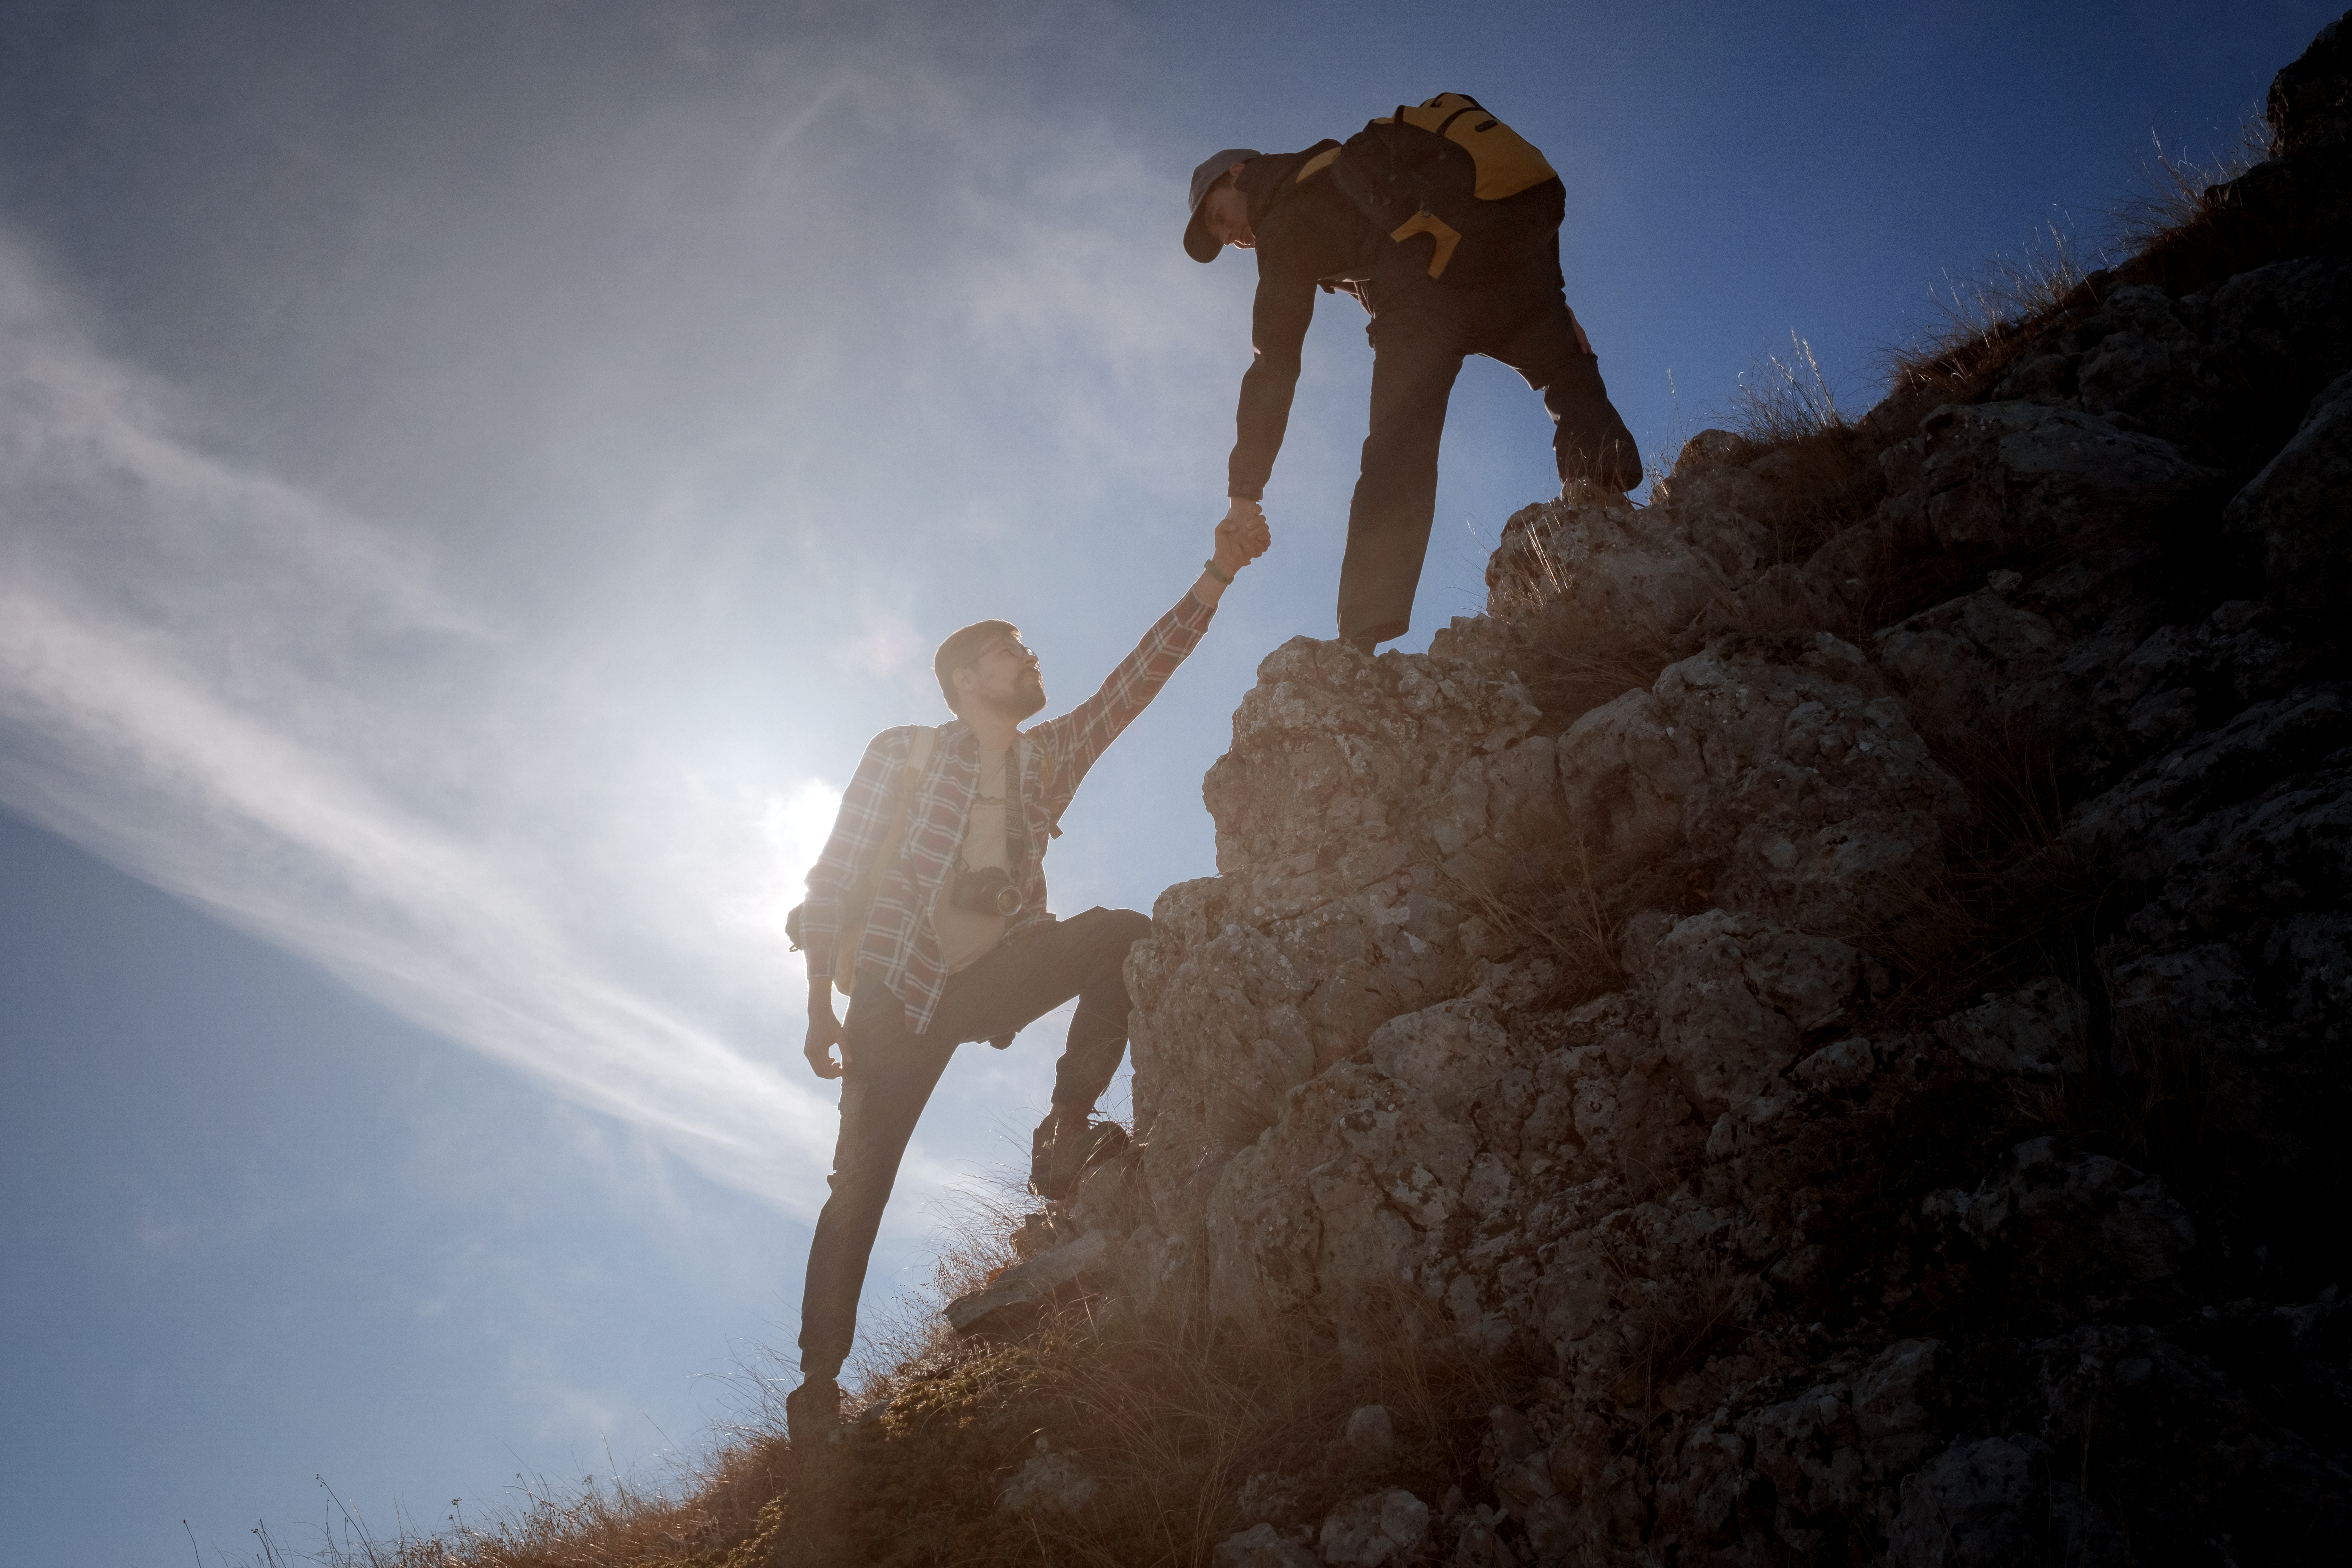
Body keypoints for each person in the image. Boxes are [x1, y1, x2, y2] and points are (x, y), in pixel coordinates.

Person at [785, 508, 1271, 1442]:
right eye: (1016, 652)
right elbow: (835, 877)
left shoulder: (1049, 758)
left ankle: (1068, 1121)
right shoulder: (905, 752)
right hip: (896, 993)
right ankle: (817, 1387)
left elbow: (1138, 681)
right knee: (860, 1187)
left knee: (1123, 933)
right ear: (971, 678)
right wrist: (820, 1007)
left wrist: (1217, 573)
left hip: (996, 974)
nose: (1033, 659)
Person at [1183, 129, 1642, 652]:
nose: (1231, 237)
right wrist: (1553, 302)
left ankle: (1360, 638)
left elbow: (1275, 361)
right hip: (1507, 277)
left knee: (1398, 450)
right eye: (1222, 238)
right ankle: (1602, 504)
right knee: (1567, 369)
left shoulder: (1286, 211)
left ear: (1239, 173)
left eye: (1220, 217)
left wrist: (1244, 490)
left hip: (1422, 298)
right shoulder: (1344, 168)